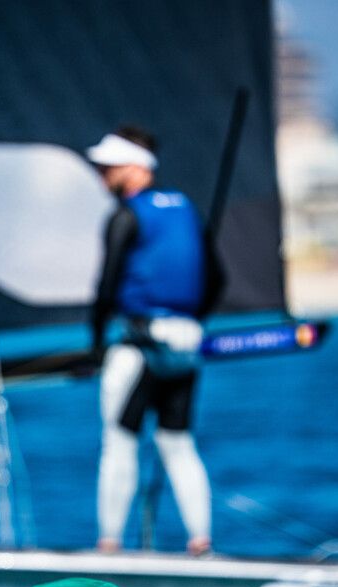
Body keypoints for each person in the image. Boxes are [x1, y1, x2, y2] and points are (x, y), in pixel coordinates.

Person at [86, 126, 225, 556]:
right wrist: (190, 320)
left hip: (141, 344)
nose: (102, 175)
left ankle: (109, 544)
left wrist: (95, 347)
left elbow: (106, 288)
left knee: (119, 440)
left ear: (134, 168)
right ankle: (200, 540)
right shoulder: (186, 208)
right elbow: (217, 278)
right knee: (178, 442)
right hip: (187, 341)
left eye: (108, 168)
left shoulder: (125, 215)